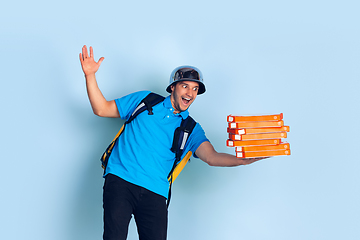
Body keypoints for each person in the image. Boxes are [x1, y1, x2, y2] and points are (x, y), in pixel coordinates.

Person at [79, 45, 266, 240]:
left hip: (156, 192)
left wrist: (242, 160)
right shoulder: (145, 101)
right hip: (121, 180)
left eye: (195, 89)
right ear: (172, 87)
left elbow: (211, 157)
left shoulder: (191, 128)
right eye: (185, 86)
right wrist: (90, 75)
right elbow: (101, 109)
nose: (190, 93)